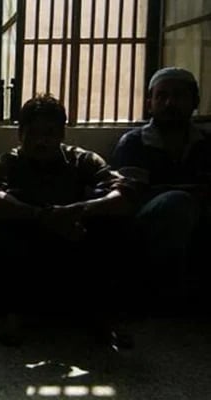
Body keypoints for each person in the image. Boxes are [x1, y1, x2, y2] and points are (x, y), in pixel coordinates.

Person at [0, 94, 135, 347]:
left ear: (62, 134)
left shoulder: (83, 160)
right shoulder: (9, 162)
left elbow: (124, 197)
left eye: (49, 133)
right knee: (7, 219)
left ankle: (100, 316)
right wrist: (40, 216)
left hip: (75, 249)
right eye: (33, 133)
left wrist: (80, 209)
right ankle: (16, 313)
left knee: (110, 223)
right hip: (30, 252)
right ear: (20, 134)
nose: (41, 142)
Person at [112, 67, 211, 307]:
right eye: (162, 96)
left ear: (195, 102)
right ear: (150, 103)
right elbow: (130, 196)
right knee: (177, 203)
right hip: (146, 228)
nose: (169, 103)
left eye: (179, 96)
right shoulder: (135, 143)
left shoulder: (206, 144)